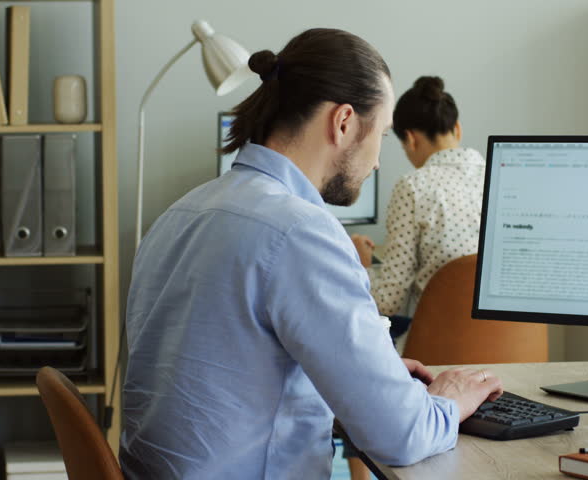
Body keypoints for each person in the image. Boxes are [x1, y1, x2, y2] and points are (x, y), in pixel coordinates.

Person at [120, 30, 503, 479]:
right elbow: (401, 435)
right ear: (343, 123)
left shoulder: (179, 213)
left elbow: (215, 372)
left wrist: (361, 369)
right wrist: (448, 399)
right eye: (380, 133)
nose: (379, 160)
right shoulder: (302, 232)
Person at [351, 76, 486, 341]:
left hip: (441, 348)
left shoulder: (413, 186)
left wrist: (362, 265)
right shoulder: (497, 176)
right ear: (457, 129)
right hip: (512, 350)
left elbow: (388, 302)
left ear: (410, 139)